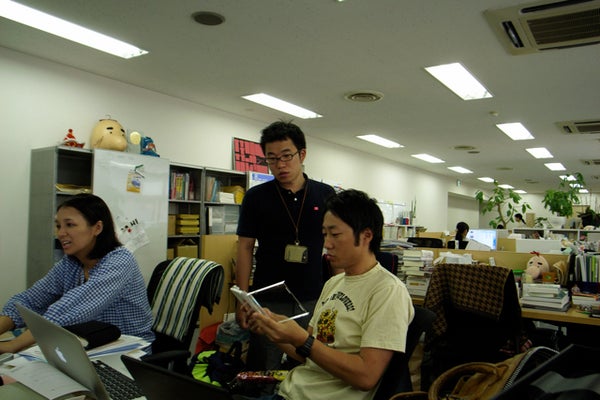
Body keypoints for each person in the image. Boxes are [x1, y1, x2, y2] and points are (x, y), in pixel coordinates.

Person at [239, 189, 414, 400]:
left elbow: (366, 376)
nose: (326, 244)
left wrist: (302, 339)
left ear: (366, 235)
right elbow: (308, 355)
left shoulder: (388, 291)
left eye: (335, 234)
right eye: (324, 234)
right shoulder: (334, 283)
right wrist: (273, 329)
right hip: (291, 391)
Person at [236, 120, 335, 371]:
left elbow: (336, 245)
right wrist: (243, 299)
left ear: (302, 154)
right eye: (272, 158)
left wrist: (337, 293)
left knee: (308, 365)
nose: (280, 165)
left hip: (312, 297)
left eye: (287, 156)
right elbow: (245, 247)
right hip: (267, 298)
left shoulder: (325, 195)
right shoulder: (255, 197)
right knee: (263, 369)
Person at [0, 194, 154, 354]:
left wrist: (12, 346)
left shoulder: (120, 261)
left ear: (97, 228)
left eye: (70, 225)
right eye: (58, 226)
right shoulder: (71, 263)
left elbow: (68, 310)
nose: (61, 233)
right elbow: (29, 300)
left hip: (130, 353)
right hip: (87, 346)